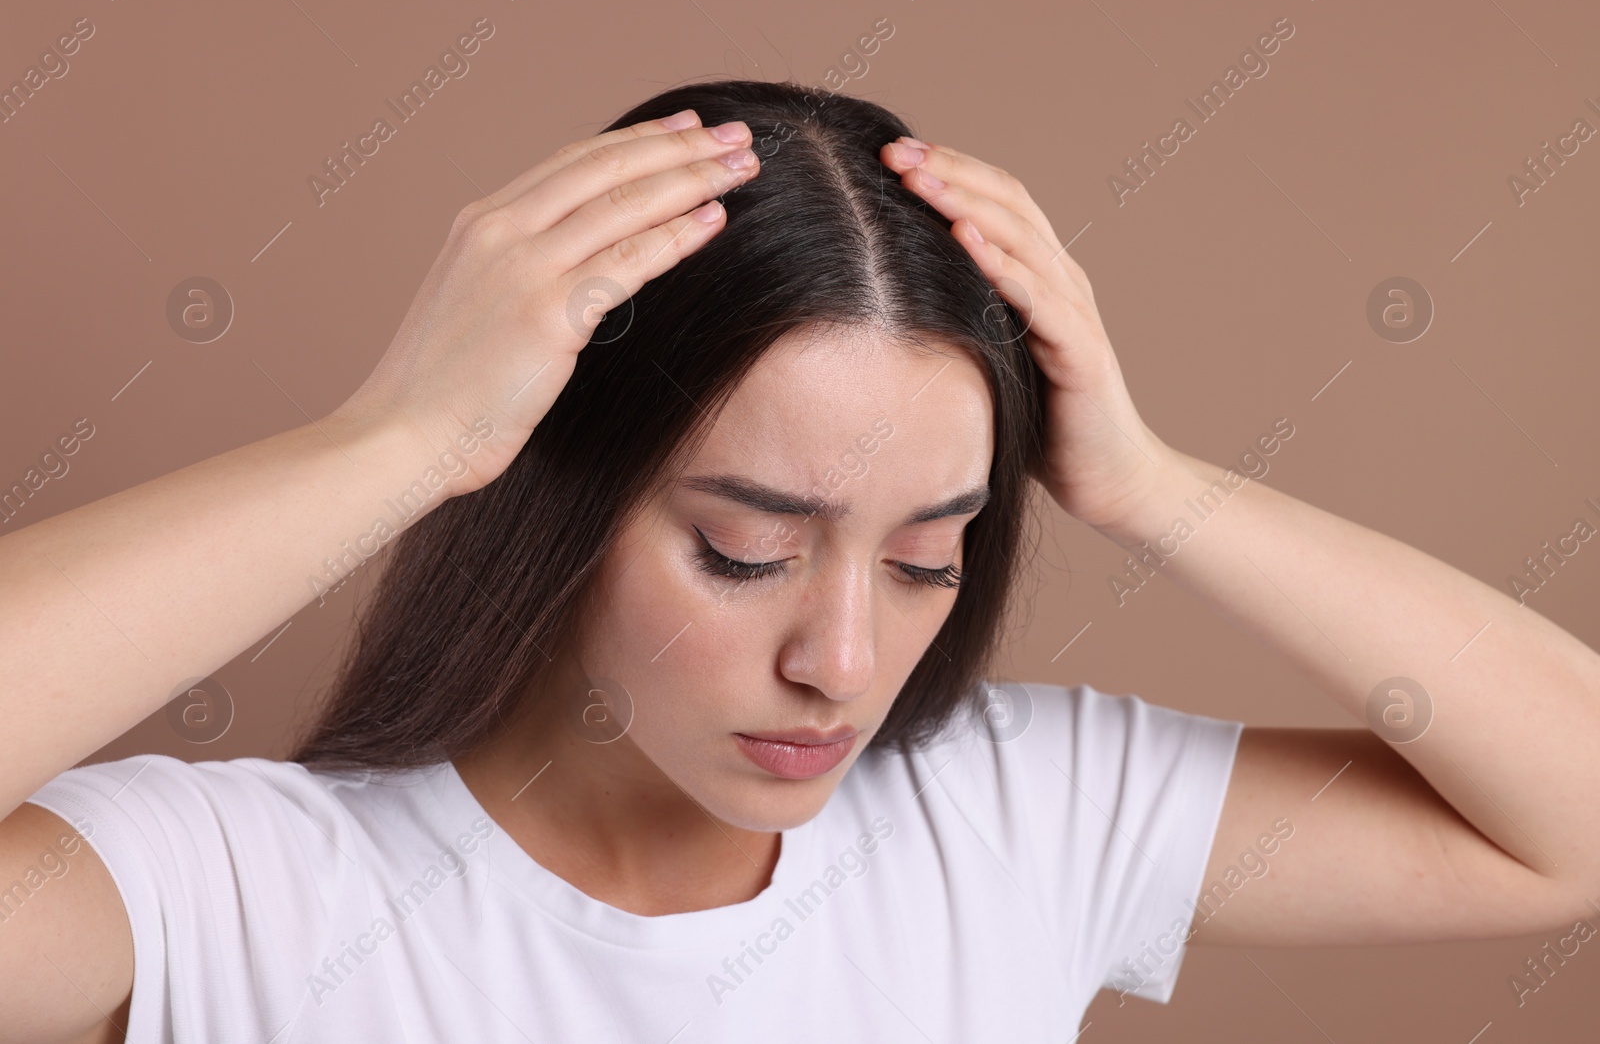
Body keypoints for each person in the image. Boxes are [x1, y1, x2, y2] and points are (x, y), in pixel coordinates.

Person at [1, 79, 1595, 1043]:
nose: (841, 660)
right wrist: (398, 444)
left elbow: (1573, 818)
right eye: (745, 550)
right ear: (555, 496)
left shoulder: (1013, 815)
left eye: (925, 558)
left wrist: (1155, 488)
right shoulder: (232, 891)